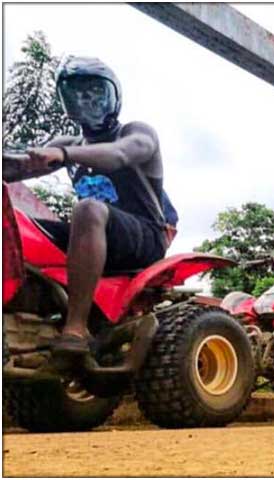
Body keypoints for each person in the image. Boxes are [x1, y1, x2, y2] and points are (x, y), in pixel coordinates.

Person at [2, 56, 177, 358]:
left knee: (87, 208)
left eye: (95, 91)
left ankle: (76, 327)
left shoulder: (136, 132)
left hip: (146, 236)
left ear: (113, 95)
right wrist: (22, 161)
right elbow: (20, 167)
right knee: (18, 225)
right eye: (75, 93)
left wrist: (64, 154)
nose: (85, 100)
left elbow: (119, 155)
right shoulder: (69, 142)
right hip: (93, 235)